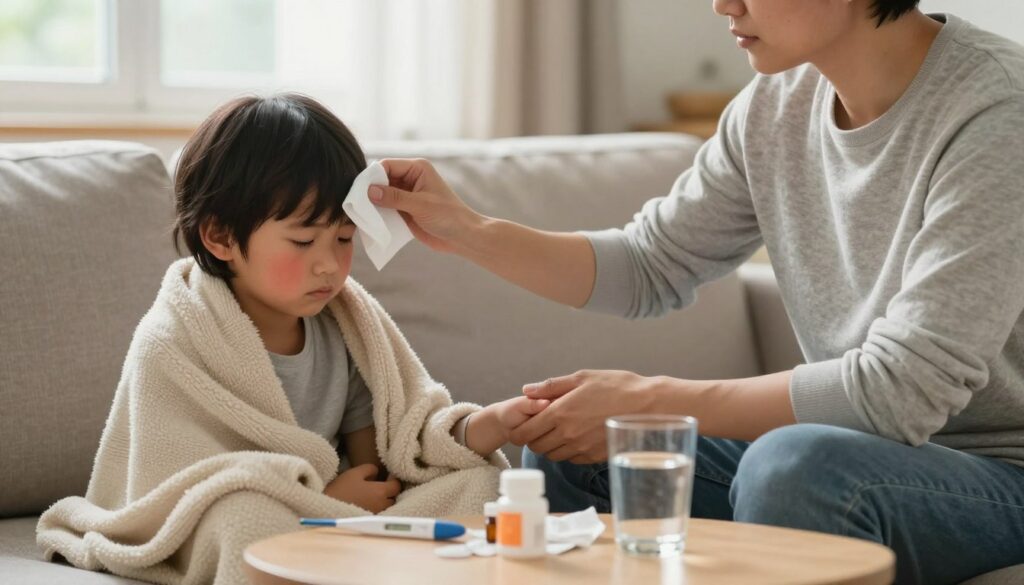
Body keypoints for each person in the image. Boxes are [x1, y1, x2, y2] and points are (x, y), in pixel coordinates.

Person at [365, 2, 1024, 583]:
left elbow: (901, 392)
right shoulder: (775, 107)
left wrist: (653, 399)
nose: (721, 5)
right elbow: (651, 264)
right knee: (572, 446)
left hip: (1002, 474)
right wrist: (468, 229)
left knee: (793, 467)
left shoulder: (998, 110)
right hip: (868, 454)